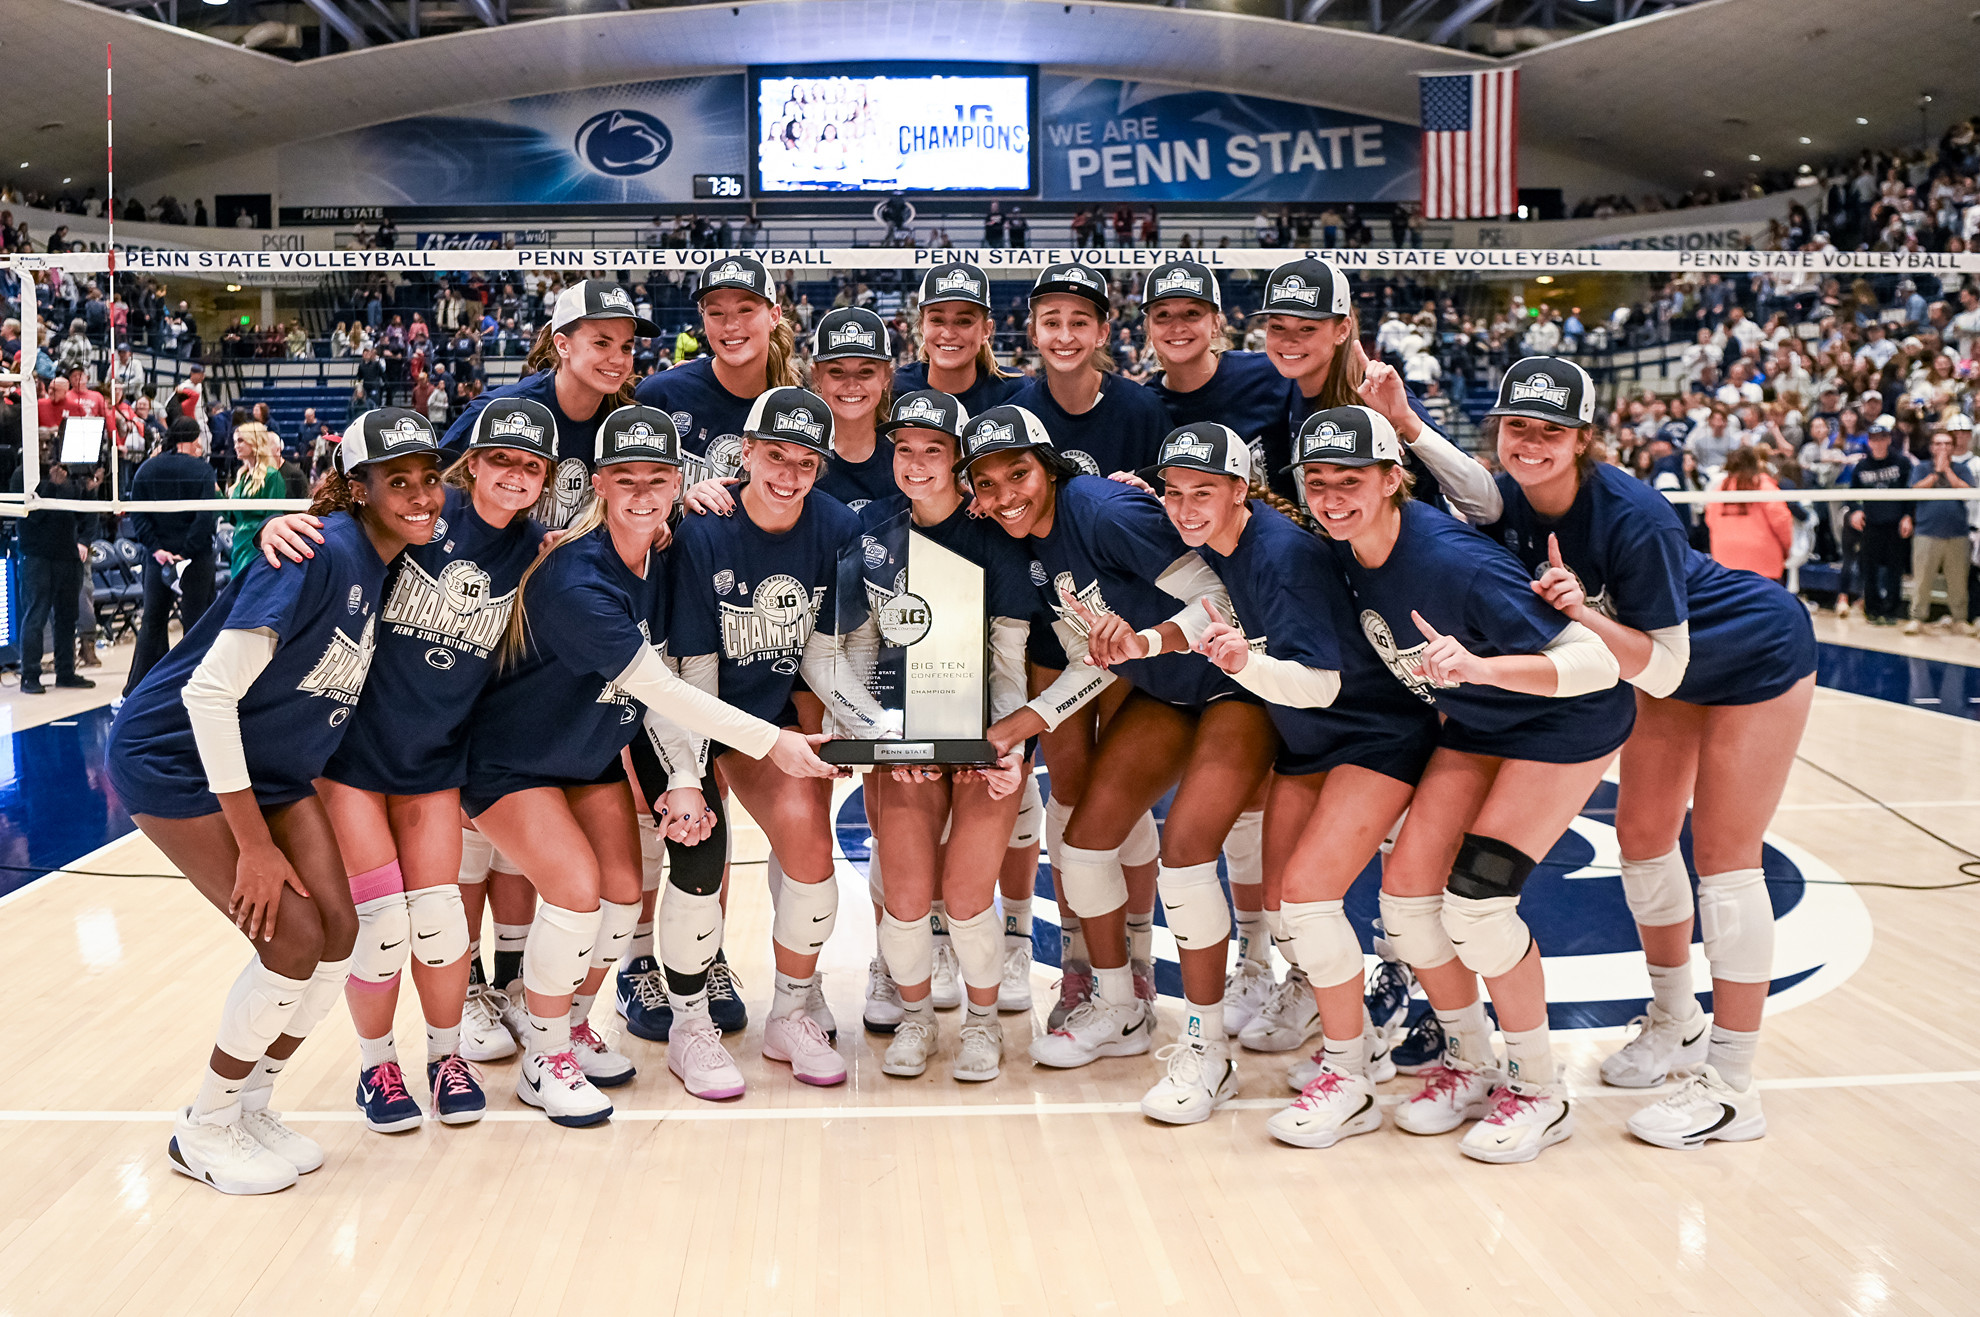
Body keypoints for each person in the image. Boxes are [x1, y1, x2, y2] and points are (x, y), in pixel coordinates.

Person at [1405, 355, 1818, 1150]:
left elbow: (1662, 664)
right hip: (1663, 664)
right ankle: (1676, 1020)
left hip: (1750, 651)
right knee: (1641, 842)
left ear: (1584, 438)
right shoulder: (1519, 493)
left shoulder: (1636, 515)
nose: (1529, 443)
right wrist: (1407, 419)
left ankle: (1732, 1085)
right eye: (1515, 427)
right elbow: (1472, 487)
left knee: (1726, 858)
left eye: (1549, 430)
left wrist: (1583, 617)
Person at [464, 405, 837, 1121]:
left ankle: (571, 1022)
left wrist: (688, 778)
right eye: (625, 479)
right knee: (576, 895)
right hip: (514, 762)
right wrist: (773, 740)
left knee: (620, 898)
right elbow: (661, 687)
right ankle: (545, 1056)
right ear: (599, 482)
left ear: (678, 484)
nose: (642, 494)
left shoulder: (661, 556)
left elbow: (674, 684)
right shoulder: (577, 578)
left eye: (658, 479)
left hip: (589, 754)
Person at [104, 413, 443, 1195]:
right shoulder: (316, 552)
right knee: (291, 937)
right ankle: (206, 1123)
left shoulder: (384, 557)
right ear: (358, 489)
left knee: (341, 931)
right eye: (400, 481)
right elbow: (209, 692)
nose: (423, 495)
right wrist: (254, 847)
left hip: (271, 768)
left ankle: (253, 1104)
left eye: (430, 478)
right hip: (179, 757)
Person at [1305, 401, 1631, 1164]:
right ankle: (1472, 1063)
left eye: (1349, 478)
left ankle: (1539, 1090)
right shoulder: (1345, 547)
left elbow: (1597, 662)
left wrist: (1481, 668)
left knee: (1478, 907)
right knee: (1408, 906)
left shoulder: (1453, 561)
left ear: (1392, 480)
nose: (1331, 495)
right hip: (1481, 720)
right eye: (1317, 481)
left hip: (1564, 718)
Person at [252, 401, 556, 1132]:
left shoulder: (537, 548)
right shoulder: (420, 512)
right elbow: (330, 533)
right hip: (353, 755)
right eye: (500, 460)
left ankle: (445, 1055)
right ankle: (376, 1063)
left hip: (437, 757)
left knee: (443, 921)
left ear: (545, 479)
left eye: (531, 466)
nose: (514, 476)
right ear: (472, 463)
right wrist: (267, 524)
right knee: (382, 923)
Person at [1147, 420, 1439, 1146]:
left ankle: (1352, 1079)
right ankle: (1362, 1044)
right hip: (1314, 740)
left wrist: (1240, 664)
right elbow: (1233, 622)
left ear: (1239, 490)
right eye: (1174, 492)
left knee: (1308, 904)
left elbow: (1320, 680)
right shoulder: (1231, 542)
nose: (1185, 507)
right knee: (1282, 908)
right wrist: (1174, 642)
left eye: (1203, 492)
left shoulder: (1282, 553)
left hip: (1372, 730)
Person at [960, 408, 1256, 1114]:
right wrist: (1024, 723)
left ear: (1051, 466)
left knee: (1200, 853)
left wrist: (1148, 641)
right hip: (1169, 692)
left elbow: (1222, 600)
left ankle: (1219, 1034)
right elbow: (1093, 658)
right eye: (988, 481)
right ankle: (1120, 1006)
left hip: (1240, 684)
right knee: (1085, 843)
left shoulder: (1100, 511)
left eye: (1019, 473)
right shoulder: (1029, 545)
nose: (1006, 493)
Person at [664, 387, 862, 1087]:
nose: (788, 473)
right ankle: (688, 1026)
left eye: (806, 462)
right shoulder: (703, 529)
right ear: (745, 452)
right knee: (696, 852)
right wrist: (691, 773)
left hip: (768, 719)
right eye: (775, 455)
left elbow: (827, 646)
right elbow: (690, 673)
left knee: (811, 851)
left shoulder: (834, 527)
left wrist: (852, 720)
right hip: (687, 709)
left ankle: (790, 1013)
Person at [851, 390, 1032, 1080]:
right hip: (904, 740)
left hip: (984, 738)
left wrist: (1003, 743)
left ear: (959, 461)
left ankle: (982, 1024)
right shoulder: (869, 530)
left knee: (964, 896)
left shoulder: (996, 537)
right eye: (905, 449)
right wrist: (886, 736)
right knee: (904, 896)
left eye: (934, 450)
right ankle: (919, 1016)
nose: (917, 463)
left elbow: (1010, 665)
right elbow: (858, 655)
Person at [444, 278, 659, 530]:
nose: (618, 360)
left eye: (626, 347)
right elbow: (435, 484)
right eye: (602, 343)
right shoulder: (499, 411)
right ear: (562, 344)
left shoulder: (624, 418)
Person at [1257, 258, 1445, 510]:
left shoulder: (1374, 393)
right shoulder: (1285, 390)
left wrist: (1406, 427)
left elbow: (1456, 484)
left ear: (1342, 330)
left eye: (1307, 328)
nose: (1289, 340)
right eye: (1277, 326)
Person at [635, 255, 801, 485]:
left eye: (745, 310)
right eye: (716, 313)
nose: (731, 326)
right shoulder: (659, 394)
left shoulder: (797, 409)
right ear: (703, 318)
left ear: (774, 317)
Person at [123, 417, 220, 695]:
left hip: (158, 558)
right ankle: (200, 686)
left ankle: (139, 688)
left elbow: (138, 515)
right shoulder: (202, 471)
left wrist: (158, 550)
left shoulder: (146, 469)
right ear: (192, 440)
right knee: (197, 622)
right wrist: (185, 553)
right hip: (194, 558)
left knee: (153, 621)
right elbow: (205, 518)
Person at [9, 437, 97, 695]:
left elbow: (85, 514)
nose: (47, 448)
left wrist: (91, 490)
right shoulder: (23, 475)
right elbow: (29, 519)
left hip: (68, 555)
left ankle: (66, 672)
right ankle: (30, 675)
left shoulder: (69, 476)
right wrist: (53, 488)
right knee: (35, 616)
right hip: (37, 556)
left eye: (51, 443)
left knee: (67, 616)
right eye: (42, 444)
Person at [891, 261, 1022, 416]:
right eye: (937, 320)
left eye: (964, 321)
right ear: (921, 326)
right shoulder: (895, 389)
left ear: (986, 330)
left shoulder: (1016, 394)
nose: (948, 333)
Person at [1905, 426, 1975, 635]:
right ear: (1931, 447)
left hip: (1957, 533)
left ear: (1953, 448)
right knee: (1922, 581)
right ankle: (1917, 618)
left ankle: (1959, 619)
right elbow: (1914, 492)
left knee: (1958, 581)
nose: (1943, 447)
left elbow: (1967, 493)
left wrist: (1947, 471)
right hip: (1927, 532)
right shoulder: (1921, 468)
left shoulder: (1962, 469)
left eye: (1947, 444)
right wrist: (1936, 473)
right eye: (1938, 443)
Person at [1843, 425, 1914, 625]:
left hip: (1895, 524)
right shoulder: (1862, 466)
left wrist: (1908, 516)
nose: (1878, 442)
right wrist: (1855, 511)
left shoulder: (1901, 463)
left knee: (1894, 570)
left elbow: (1911, 493)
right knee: (1869, 569)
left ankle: (1891, 610)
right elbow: (1851, 495)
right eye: (1874, 439)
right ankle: (1872, 609)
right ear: (1869, 442)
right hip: (1871, 525)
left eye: (1882, 438)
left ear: (1889, 439)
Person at [1704, 447, 1795, 582]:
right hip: (1763, 563)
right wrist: (1786, 550)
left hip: (1725, 563)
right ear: (1755, 463)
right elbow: (1782, 520)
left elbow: (1710, 521)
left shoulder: (1719, 490)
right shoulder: (1764, 487)